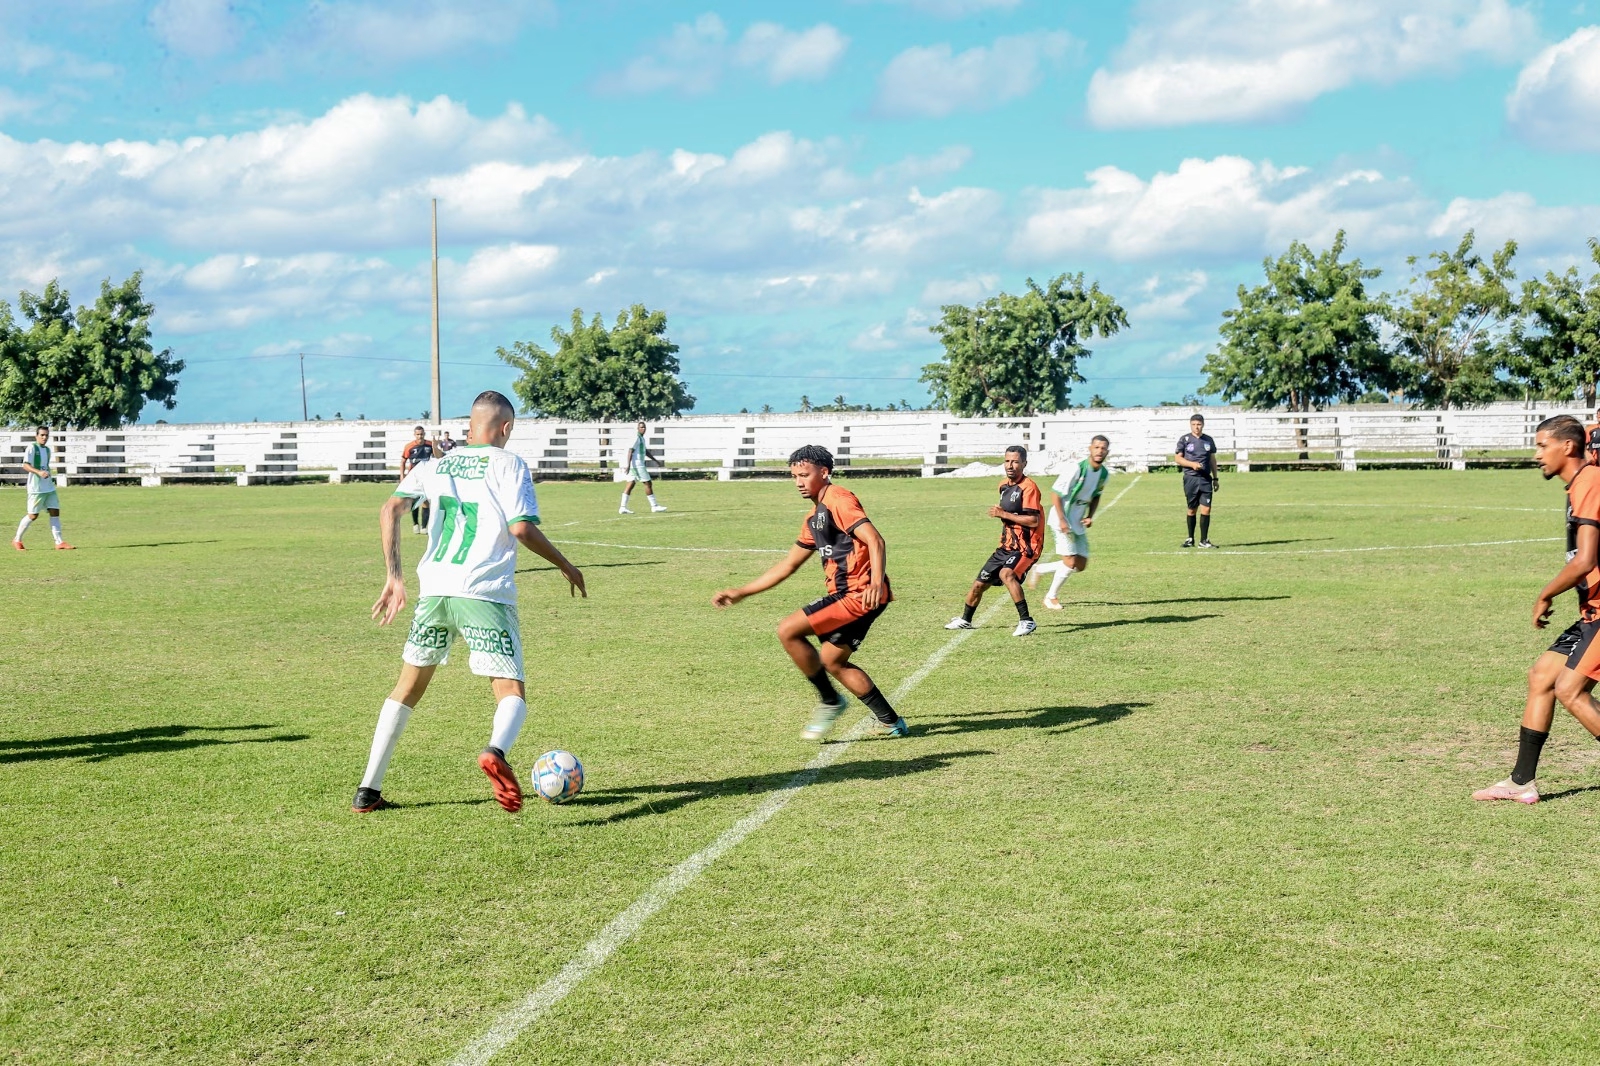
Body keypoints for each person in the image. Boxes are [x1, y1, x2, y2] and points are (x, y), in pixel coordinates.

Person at [354, 391, 587, 814]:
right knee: (510, 689)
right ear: (507, 428)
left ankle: (367, 790)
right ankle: (496, 751)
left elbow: (389, 510)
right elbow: (520, 529)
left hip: (435, 591)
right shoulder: (510, 463)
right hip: (484, 591)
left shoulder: (435, 465)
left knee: (407, 688)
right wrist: (566, 564)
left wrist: (394, 575)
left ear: (468, 427)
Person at [712, 445, 906, 741]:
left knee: (788, 630)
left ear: (824, 473)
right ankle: (891, 722)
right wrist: (742, 592)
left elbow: (875, 540)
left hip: (858, 594)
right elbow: (789, 565)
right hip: (859, 595)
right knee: (832, 661)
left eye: (804, 475)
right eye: (794, 476)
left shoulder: (839, 499)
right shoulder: (813, 517)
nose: (799, 482)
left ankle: (830, 701)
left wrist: (876, 582)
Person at [1475, 415, 1600, 804]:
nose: (1536, 454)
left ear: (1568, 446)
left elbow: (1584, 560)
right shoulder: (1581, 482)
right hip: (1592, 612)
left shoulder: (1591, 482)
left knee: (1570, 690)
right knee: (1542, 676)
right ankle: (1521, 781)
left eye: (1542, 445)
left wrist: (1545, 594)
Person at [945, 445, 1042, 637]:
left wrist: (1003, 513)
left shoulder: (1029, 487)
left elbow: (1033, 520)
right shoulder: (1003, 485)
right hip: (1005, 546)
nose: (1010, 465)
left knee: (1007, 574)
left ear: (1024, 463)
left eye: (1015, 461)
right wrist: (1004, 515)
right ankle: (965, 620)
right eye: (1007, 461)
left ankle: (1026, 621)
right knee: (978, 585)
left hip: (1026, 547)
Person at [1030, 435, 1110, 610]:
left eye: (1103, 448)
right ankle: (1050, 597)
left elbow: (1096, 496)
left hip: (1077, 521)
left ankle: (1040, 569)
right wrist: (1062, 520)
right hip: (1062, 519)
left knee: (1080, 565)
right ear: (1090, 448)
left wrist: (1090, 516)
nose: (1099, 451)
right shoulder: (1076, 469)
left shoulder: (1103, 474)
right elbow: (1055, 493)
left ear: (1107, 451)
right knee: (1070, 562)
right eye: (1096, 447)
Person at [13, 426, 72, 551]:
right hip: (36, 488)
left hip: (49, 487)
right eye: (42, 435)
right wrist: (38, 472)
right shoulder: (32, 448)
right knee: (33, 515)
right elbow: (25, 465)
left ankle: (59, 542)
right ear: (36, 435)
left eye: (46, 435)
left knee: (55, 511)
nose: (44, 437)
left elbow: (45, 467)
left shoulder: (47, 450)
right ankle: (17, 539)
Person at [1175, 413, 1218, 548]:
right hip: (1191, 478)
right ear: (1190, 425)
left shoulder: (1208, 440)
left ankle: (1203, 540)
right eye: (1194, 424)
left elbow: (1212, 460)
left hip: (1206, 479)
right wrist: (1192, 464)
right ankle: (1190, 538)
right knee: (1192, 509)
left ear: (1203, 425)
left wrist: (1215, 478)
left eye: (1199, 424)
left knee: (1206, 509)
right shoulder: (1185, 439)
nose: (1196, 427)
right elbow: (1178, 459)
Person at [619, 420, 667, 514]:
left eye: (644, 427)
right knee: (648, 483)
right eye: (641, 427)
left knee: (630, 484)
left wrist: (655, 460)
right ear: (637, 428)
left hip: (635, 466)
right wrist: (628, 465)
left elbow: (646, 452)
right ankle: (654, 506)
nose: (643, 429)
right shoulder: (636, 438)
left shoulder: (642, 439)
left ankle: (622, 507)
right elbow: (630, 451)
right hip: (637, 465)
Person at [398, 426, 437, 535]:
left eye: (421, 434)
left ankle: (424, 527)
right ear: (414, 435)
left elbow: (437, 458)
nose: (420, 436)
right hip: (414, 478)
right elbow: (403, 461)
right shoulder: (409, 447)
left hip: (427, 477)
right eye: (418, 434)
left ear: (424, 434)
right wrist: (402, 475)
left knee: (425, 502)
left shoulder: (429, 445)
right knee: (414, 501)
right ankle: (415, 524)